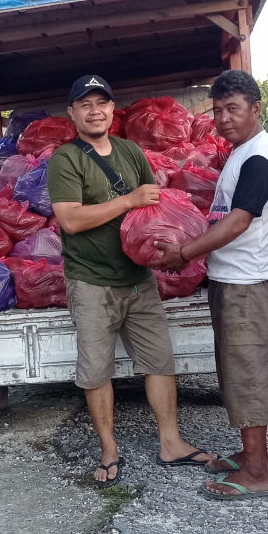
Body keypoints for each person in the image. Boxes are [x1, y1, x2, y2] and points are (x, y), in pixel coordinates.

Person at [48, 75, 215, 484]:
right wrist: (127, 200)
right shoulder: (65, 160)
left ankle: (171, 442)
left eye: (101, 102)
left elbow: (150, 210)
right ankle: (109, 451)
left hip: (139, 279)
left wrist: (174, 246)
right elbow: (69, 220)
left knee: (159, 361)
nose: (94, 110)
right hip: (91, 282)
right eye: (84, 104)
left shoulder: (130, 151)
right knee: (96, 371)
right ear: (72, 113)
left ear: (111, 109)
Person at [156, 70, 268, 499]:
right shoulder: (241, 152)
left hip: (248, 282)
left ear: (256, 108)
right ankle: (254, 456)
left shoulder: (259, 158)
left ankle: (256, 471)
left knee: (249, 372)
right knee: (235, 371)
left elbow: (238, 221)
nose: (224, 118)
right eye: (218, 111)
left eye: (233, 109)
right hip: (233, 278)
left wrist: (184, 252)